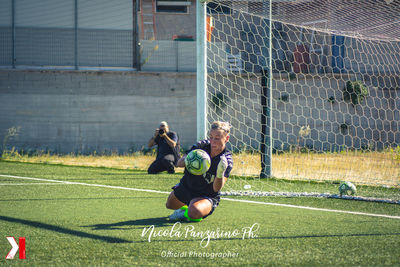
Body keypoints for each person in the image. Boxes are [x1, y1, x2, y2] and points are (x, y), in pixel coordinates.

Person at [165, 121, 233, 222]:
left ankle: (188, 212)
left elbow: (216, 188)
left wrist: (220, 173)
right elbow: (179, 164)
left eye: (217, 138)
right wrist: (190, 158)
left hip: (206, 195)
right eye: (211, 137)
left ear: (226, 138)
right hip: (187, 186)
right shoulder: (201, 146)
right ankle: (187, 206)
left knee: (194, 212)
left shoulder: (226, 160)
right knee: (169, 205)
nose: (213, 141)